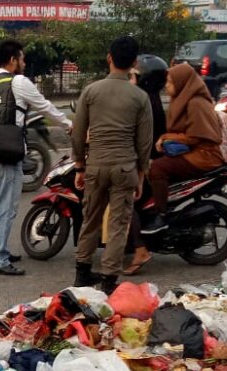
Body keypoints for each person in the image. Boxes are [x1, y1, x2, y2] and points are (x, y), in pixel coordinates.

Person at [0, 40, 72, 276]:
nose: (24, 63)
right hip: (7, 154)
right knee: (5, 208)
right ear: (13, 60)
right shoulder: (18, 82)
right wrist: (69, 124)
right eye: (22, 58)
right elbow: (44, 106)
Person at [71, 36, 153, 293]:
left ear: (109, 58)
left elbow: (78, 131)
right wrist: (141, 174)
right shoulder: (140, 97)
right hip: (125, 168)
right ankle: (108, 280)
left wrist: (79, 166)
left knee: (91, 220)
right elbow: (144, 142)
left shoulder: (91, 91)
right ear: (135, 62)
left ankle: (82, 273)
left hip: (95, 166)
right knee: (118, 224)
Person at [143, 63, 224, 234]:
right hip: (192, 151)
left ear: (182, 83)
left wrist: (166, 137)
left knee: (158, 168)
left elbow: (196, 136)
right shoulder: (182, 100)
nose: (167, 86)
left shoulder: (196, 103)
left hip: (204, 155)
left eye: (171, 82)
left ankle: (161, 214)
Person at [124, 55, 169, 275]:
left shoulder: (144, 103)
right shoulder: (151, 100)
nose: (131, 79)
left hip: (146, 164)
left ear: (146, 80)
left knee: (124, 201)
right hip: (148, 160)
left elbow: (140, 141)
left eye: (134, 76)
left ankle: (140, 249)